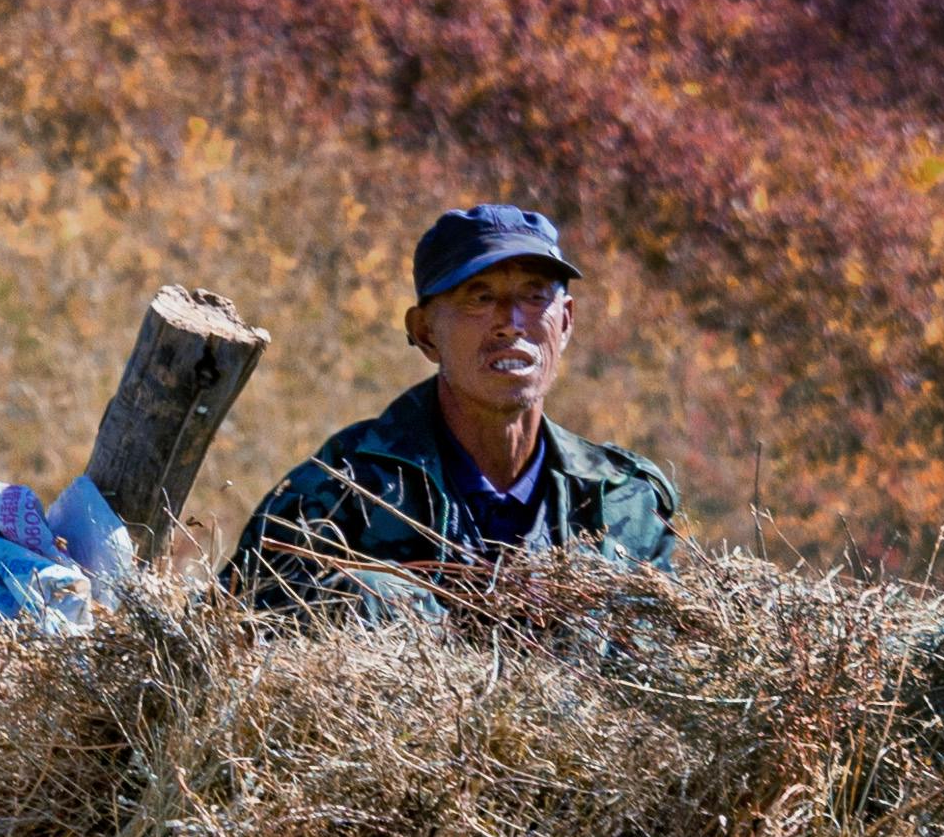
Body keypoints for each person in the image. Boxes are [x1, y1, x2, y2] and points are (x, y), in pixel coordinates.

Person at [222, 203, 682, 605]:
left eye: (534, 296)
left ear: (565, 323)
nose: (511, 323)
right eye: (479, 298)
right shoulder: (343, 490)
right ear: (425, 333)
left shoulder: (624, 499)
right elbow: (234, 639)